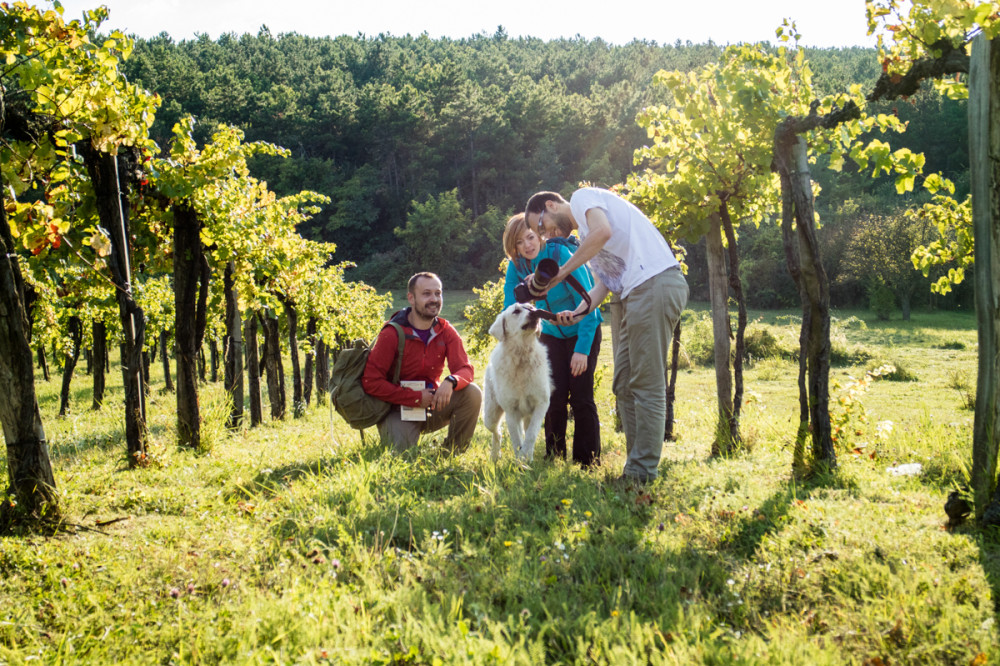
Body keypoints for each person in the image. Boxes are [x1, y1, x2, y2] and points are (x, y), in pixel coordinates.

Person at [524, 188, 688, 484]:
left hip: (654, 284)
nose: (545, 234)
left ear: (550, 204)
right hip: (632, 294)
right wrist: (575, 313)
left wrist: (560, 273)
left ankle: (642, 474)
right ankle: (635, 467)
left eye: (540, 225)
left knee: (646, 383)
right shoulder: (588, 240)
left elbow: (603, 231)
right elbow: (603, 286)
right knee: (624, 382)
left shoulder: (582, 198)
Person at [501, 213, 603, 467]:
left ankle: (587, 461)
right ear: (513, 249)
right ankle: (554, 456)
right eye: (519, 243)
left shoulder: (560, 258)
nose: (527, 246)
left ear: (539, 236)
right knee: (552, 397)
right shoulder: (517, 266)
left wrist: (582, 350)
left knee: (581, 396)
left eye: (530, 237)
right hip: (552, 333)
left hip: (583, 328)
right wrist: (523, 300)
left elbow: (590, 304)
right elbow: (508, 309)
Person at [362, 272, 482, 453]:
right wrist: (415, 398)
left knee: (472, 393)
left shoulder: (445, 330)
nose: (434, 299)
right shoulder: (392, 333)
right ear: (411, 298)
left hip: (432, 405)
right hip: (397, 409)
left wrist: (451, 381)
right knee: (402, 456)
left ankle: (452, 452)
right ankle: (399, 436)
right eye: (426, 294)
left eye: (438, 293)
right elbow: (371, 382)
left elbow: (466, 369)